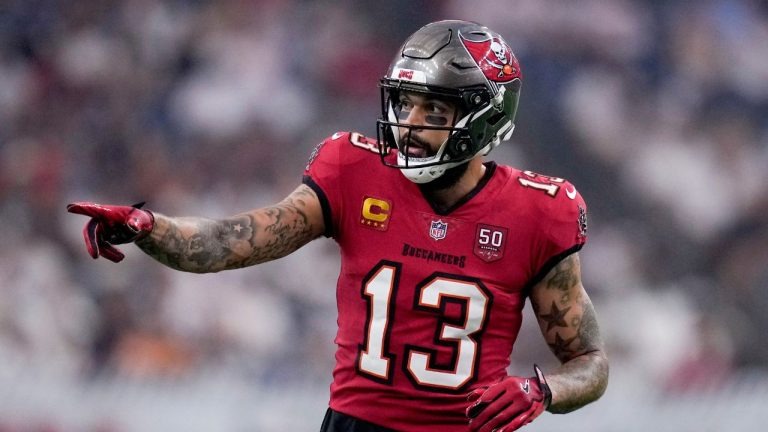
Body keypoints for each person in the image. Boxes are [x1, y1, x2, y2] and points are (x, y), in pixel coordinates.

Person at [68, 20, 608, 432]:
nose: (409, 125)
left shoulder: (540, 212)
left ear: (485, 119)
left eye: (433, 112)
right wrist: (148, 226)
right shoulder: (354, 170)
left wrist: (543, 391)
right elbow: (228, 242)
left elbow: (589, 362)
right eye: (405, 104)